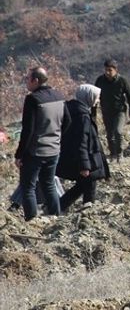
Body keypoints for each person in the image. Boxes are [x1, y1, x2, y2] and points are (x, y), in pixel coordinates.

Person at [16, 67, 66, 221]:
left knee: (28, 187)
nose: (26, 82)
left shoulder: (33, 99)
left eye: (27, 79)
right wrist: (56, 136)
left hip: (36, 151)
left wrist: (19, 154)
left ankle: (31, 221)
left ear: (35, 81)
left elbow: (28, 130)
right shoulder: (59, 96)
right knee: (49, 184)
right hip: (54, 150)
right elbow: (68, 121)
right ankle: (56, 218)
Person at [58, 84, 110, 212]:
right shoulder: (82, 116)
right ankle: (86, 207)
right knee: (89, 181)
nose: (97, 101)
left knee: (84, 183)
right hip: (86, 157)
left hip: (79, 155)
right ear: (89, 97)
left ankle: (58, 207)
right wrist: (84, 165)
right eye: (96, 97)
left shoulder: (74, 111)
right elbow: (82, 141)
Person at [94, 59, 130, 163]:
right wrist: (93, 112)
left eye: (110, 70)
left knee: (118, 131)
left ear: (115, 70)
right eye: (106, 70)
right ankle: (113, 154)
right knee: (109, 135)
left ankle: (119, 153)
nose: (108, 73)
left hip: (120, 111)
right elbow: (94, 96)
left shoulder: (122, 81)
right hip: (106, 111)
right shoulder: (100, 80)